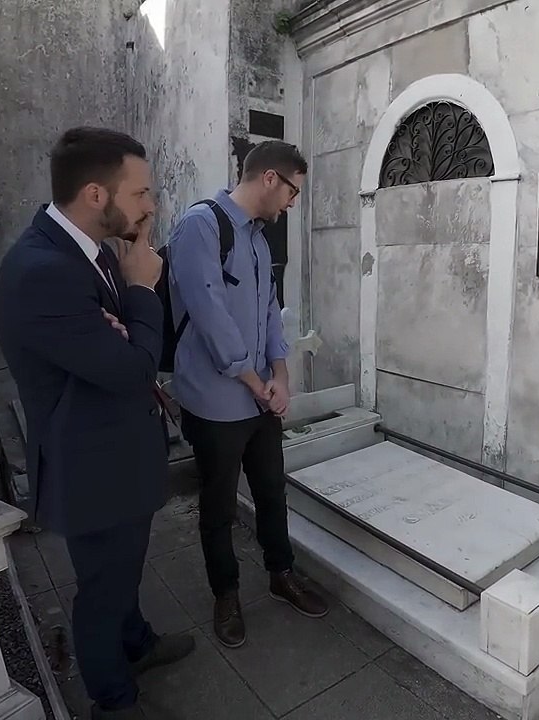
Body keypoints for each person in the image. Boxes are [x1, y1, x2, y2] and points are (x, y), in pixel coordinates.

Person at [0, 127, 194, 719]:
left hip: (117, 456)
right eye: (142, 194)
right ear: (96, 195)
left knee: (125, 571)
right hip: (92, 467)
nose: (152, 207)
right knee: (102, 590)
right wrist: (141, 293)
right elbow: (133, 368)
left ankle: (137, 644)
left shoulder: (92, 249)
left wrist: (127, 323)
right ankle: (114, 697)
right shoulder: (42, 270)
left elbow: (120, 354)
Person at [167, 140, 328, 649]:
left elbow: (268, 313)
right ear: (270, 179)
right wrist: (256, 383)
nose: (293, 203)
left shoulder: (258, 240)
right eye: (293, 191)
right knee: (217, 504)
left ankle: (281, 574)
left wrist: (281, 374)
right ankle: (226, 593)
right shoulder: (201, 226)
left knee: (271, 490)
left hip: (260, 398)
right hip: (217, 401)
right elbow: (211, 316)